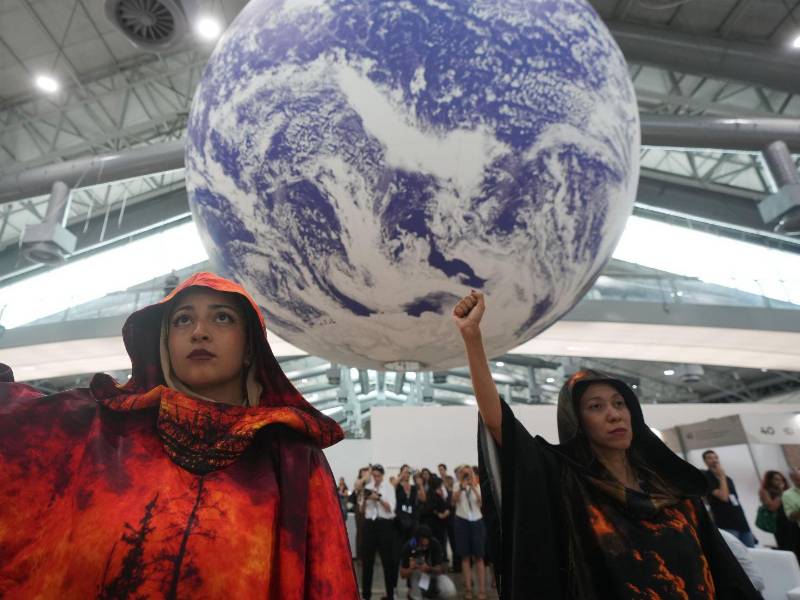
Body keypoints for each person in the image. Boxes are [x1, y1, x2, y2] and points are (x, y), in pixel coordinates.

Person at [0, 272, 358, 598]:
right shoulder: (104, 428)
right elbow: (14, 422)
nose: (199, 331)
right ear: (165, 342)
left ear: (250, 347)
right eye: (183, 319)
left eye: (222, 317)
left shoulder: (290, 455)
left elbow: (327, 578)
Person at [452, 290, 760, 599]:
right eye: (596, 407)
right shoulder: (570, 482)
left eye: (619, 403)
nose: (613, 414)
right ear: (577, 421)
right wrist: (472, 338)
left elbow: (724, 572)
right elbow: (499, 422)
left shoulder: (671, 487)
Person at [702, 450, 757, 547]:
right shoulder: (707, 477)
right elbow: (724, 497)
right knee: (736, 554)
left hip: (742, 523)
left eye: (716, 457)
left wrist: (748, 528)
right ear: (705, 461)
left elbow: (736, 501)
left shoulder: (728, 479)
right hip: (726, 523)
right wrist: (722, 477)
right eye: (710, 458)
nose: (714, 460)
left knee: (752, 552)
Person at [360, 464, 398, 600]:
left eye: (378, 476)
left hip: (384, 525)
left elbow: (391, 509)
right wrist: (365, 499)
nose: (375, 478)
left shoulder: (389, 488)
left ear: (382, 475)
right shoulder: (368, 488)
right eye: (373, 476)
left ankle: (390, 594)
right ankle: (365, 595)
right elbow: (362, 510)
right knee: (367, 562)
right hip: (370, 524)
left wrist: (379, 498)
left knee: (387, 561)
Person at [453, 465, 487, 599]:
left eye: (468, 473)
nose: (467, 475)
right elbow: (453, 501)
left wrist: (473, 487)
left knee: (479, 557)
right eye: (464, 473)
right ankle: (468, 589)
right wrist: (462, 486)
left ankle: (482, 590)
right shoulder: (457, 485)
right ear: (461, 474)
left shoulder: (477, 485)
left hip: (477, 521)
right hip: (462, 521)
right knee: (465, 556)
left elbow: (482, 503)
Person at [399, 525, 457, 599]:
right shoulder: (409, 546)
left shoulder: (435, 544)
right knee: (416, 576)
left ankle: (433, 594)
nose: (424, 545)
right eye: (422, 543)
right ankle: (415, 594)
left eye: (426, 542)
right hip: (416, 576)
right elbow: (402, 574)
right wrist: (411, 568)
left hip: (433, 575)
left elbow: (440, 569)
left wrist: (429, 568)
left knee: (450, 591)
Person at [759, 470, 795, 552]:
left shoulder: (789, 491)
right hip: (779, 523)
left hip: (792, 521)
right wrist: (781, 493)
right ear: (770, 480)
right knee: (787, 547)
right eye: (776, 479)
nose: (780, 482)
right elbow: (772, 507)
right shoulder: (765, 491)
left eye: (782, 479)